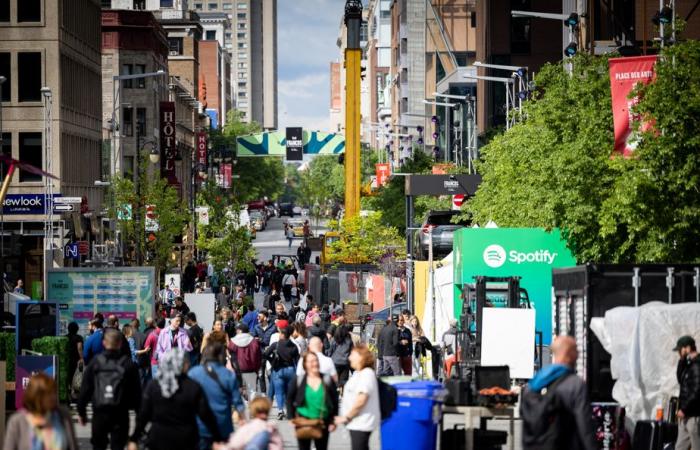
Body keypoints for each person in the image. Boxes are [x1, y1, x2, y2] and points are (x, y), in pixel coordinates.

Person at [128, 349, 223, 450]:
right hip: (186, 440)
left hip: (159, 439)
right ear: (184, 365)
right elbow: (206, 415)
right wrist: (217, 438)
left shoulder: (154, 385)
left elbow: (143, 415)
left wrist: (134, 438)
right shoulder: (193, 386)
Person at [520, 335, 596, 450]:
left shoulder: (533, 384)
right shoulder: (575, 384)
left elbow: (526, 423)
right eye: (575, 350)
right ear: (568, 353)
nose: (578, 354)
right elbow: (585, 428)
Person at [78, 328, 141, 450]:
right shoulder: (128, 364)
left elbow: (85, 389)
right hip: (120, 413)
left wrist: (82, 412)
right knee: (118, 446)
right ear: (120, 344)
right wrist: (139, 421)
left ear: (104, 343)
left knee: (98, 446)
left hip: (100, 412)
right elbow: (137, 394)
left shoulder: (96, 362)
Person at [189, 342, 246, 450]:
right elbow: (238, 402)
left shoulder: (193, 373)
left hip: (199, 425)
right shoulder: (228, 375)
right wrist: (243, 420)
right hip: (223, 425)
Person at [4, 373, 79, 450]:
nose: (53, 397)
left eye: (54, 392)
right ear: (36, 396)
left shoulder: (63, 415)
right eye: (49, 393)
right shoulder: (17, 421)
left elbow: (73, 446)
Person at [287, 352, 339, 450]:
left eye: (316, 361)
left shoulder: (327, 379)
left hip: (322, 421)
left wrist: (333, 420)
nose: (314, 363)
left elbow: (334, 400)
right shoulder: (299, 380)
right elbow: (290, 398)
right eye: (311, 361)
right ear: (305, 364)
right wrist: (291, 417)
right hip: (303, 421)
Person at [335, 344, 382, 450]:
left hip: (362, 422)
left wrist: (347, 417)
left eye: (352, 355)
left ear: (361, 357)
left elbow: (362, 399)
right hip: (357, 422)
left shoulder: (366, 374)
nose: (349, 357)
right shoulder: (360, 373)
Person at [215, 397, 283, 450]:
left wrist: (219, 447)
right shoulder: (273, 429)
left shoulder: (249, 428)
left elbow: (234, 445)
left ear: (253, 411)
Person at [264, 325, 299, 419]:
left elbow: (265, 354)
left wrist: (271, 360)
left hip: (278, 370)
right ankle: (290, 410)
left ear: (282, 335)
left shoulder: (276, 344)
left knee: (279, 392)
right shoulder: (294, 346)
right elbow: (297, 360)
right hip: (291, 369)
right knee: (289, 392)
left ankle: (280, 410)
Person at [674, 335, 700, 450]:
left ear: (688, 348)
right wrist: (681, 359)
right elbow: (680, 378)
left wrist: (684, 409)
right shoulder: (690, 364)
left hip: (694, 416)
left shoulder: (697, 365)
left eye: (680, 349)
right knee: (680, 447)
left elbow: (697, 391)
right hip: (686, 415)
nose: (679, 351)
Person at [229, 323, 263, 400]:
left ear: (239, 331)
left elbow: (231, 357)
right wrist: (257, 369)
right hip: (251, 370)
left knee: (238, 391)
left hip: (237, 371)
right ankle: (251, 409)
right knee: (252, 391)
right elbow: (258, 357)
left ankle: (241, 410)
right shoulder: (254, 341)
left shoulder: (232, 342)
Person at [66, 321, 84, 398]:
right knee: (76, 377)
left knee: (69, 377)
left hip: (68, 359)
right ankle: (75, 395)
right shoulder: (79, 337)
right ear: (77, 329)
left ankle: (69, 394)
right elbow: (79, 348)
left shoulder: (65, 337)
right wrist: (82, 358)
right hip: (76, 360)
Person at [130, 318, 150, 384]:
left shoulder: (128, 336)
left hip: (130, 363)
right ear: (139, 325)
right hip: (141, 362)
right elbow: (147, 350)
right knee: (141, 383)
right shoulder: (144, 336)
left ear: (131, 326)